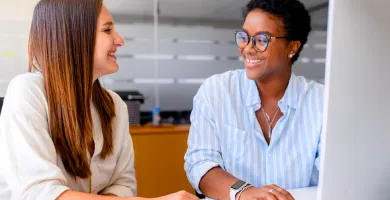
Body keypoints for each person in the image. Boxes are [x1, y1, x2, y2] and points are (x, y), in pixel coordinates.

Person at [0, 0, 199, 200]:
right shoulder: (28, 92)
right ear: (73, 36)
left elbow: (124, 185)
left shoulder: (115, 106)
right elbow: (38, 194)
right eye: (107, 30)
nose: (119, 40)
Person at [184, 0, 324, 199]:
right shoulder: (217, 91)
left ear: (291, 47)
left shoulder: (321, 102)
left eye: (261, 39)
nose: (247, 48)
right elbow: (200, 164)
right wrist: (244, 192)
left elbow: (333, 175)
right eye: (244, 37)